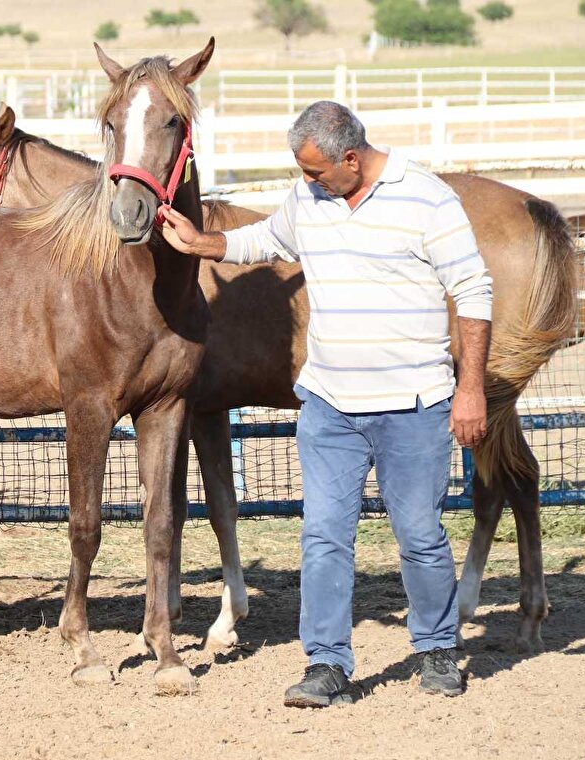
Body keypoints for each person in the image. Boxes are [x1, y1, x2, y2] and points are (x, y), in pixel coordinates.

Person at [161, 100, 492, 708]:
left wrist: (469, 387)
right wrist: (201, 242)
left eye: (314, 172)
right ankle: (326, 664)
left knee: (419, 534)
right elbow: (266, 238)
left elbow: (472, 288)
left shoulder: (426, 198)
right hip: (330, 404)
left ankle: (439, 650)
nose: (306, 183)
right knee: (323, 537)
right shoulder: (310, 197)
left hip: (413, 404)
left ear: (350, 157)